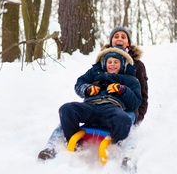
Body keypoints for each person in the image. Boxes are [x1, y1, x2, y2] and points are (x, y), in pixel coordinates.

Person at [38, 27, 149, 160]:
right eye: (116, 36)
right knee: (67, 110)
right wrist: (88, 89)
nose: (119, 39)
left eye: (123, 37)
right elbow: (81, 83)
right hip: (93, 105)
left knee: (127, 121)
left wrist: (136, 114)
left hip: (118, 108)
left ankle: (123, 152)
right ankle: (53, 146)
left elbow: (140, 95)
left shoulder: (135, 69)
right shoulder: (97, 69)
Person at [59, 46, 142, 144]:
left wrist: (122, 90)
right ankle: (74, 142)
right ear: (104, 63)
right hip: (90, 107)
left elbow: (135, 103)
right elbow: (79, 84)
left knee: (124, 119)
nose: (112, 65)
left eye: (116, 62)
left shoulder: (131, 80)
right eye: (109, 62)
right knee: (66, 109)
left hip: (111, 109)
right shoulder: (95, 73)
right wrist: (88, 89)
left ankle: (115, 145)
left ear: (123, 64)